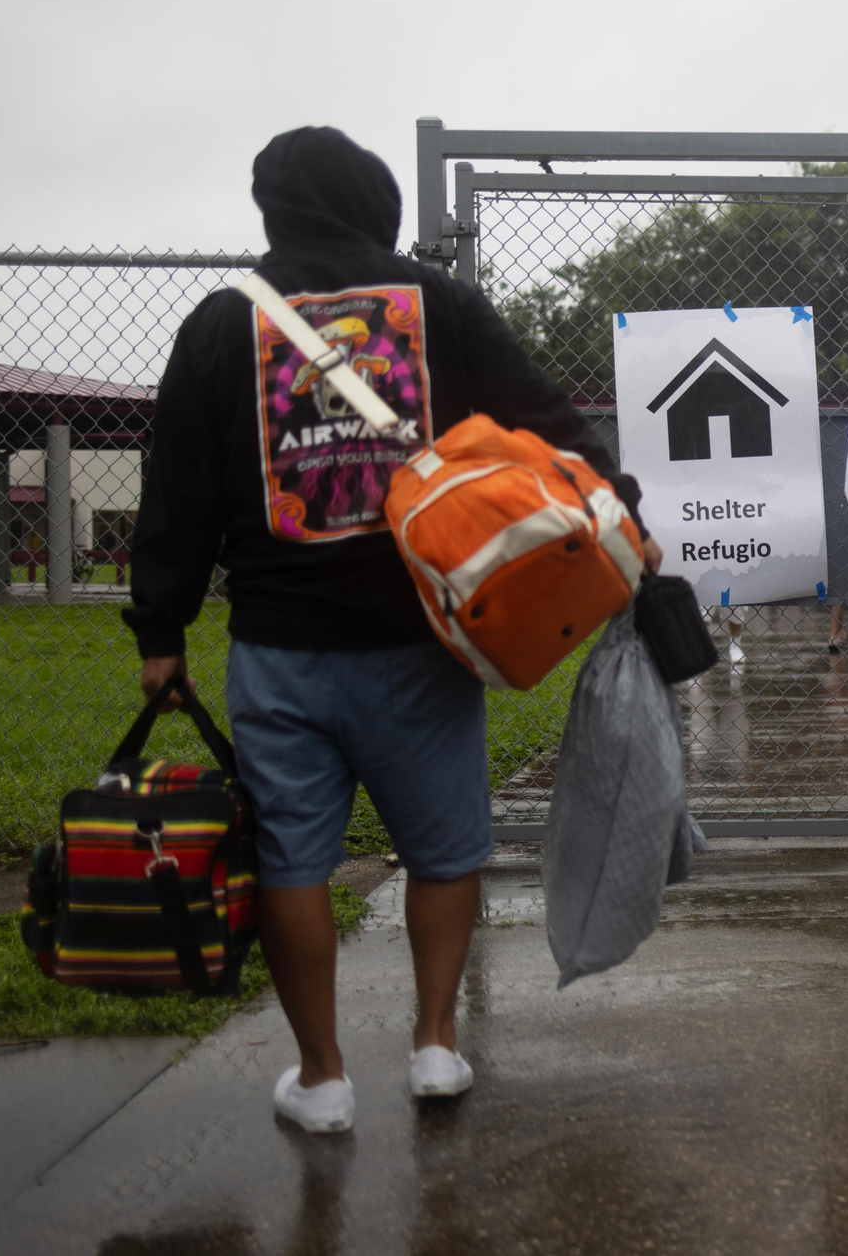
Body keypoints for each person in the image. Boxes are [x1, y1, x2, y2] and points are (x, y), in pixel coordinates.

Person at [124, 127, 661, 1134]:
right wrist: (620, 508)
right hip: (421, 637)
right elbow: (540, 413)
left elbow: (176, 491)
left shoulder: (220, 321)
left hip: (279, 646)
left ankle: (321, 1077)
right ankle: (435, 1044)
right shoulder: (436, 304)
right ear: (377, 200)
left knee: (290, 856)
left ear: (271, 207)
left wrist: (160, 625)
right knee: (444, 847)